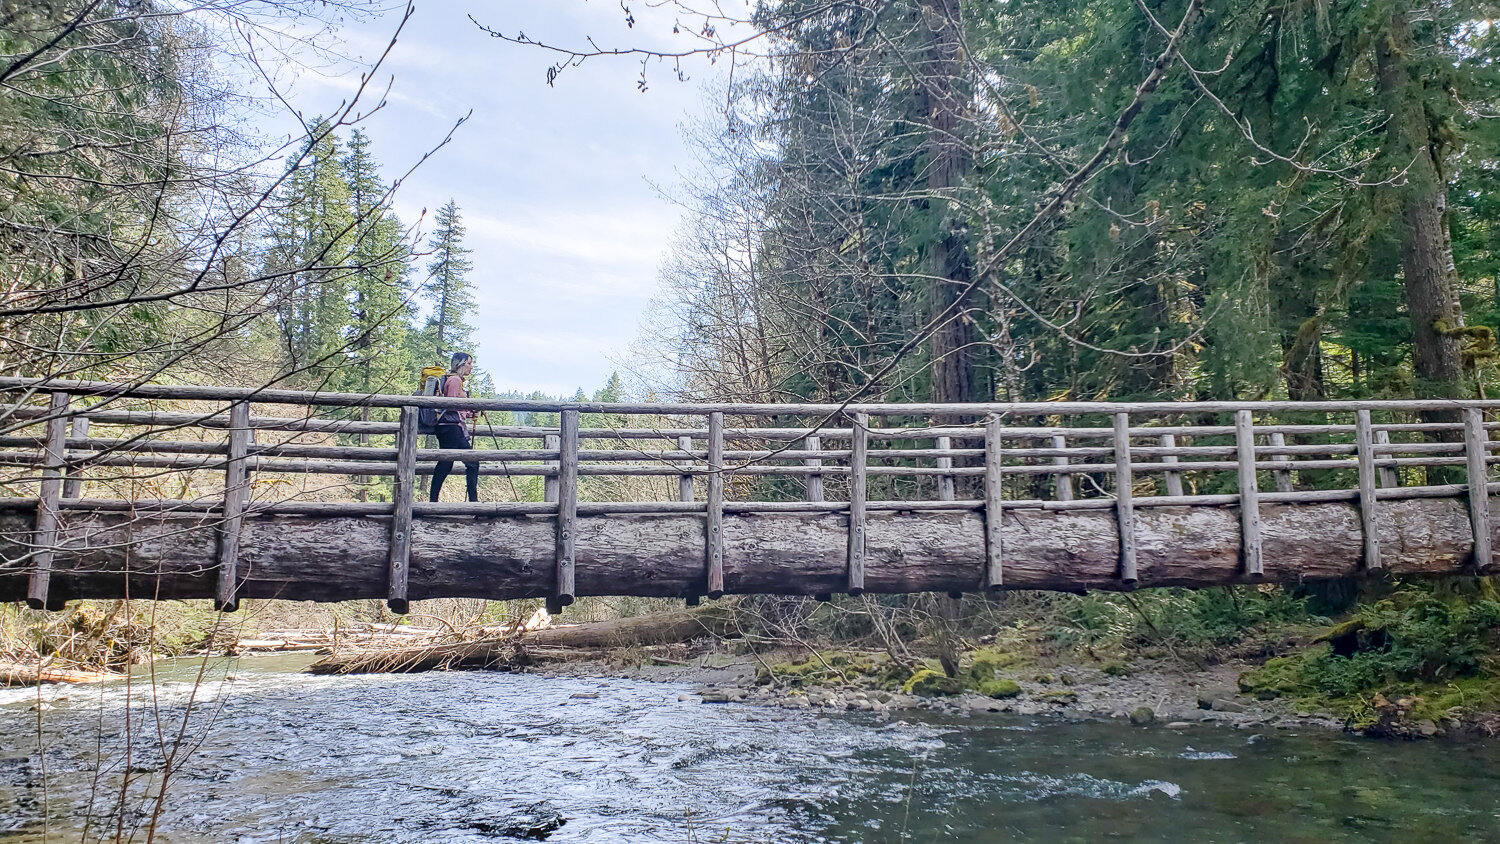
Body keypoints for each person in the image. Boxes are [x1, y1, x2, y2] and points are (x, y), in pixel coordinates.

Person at [430, 351, 479, 502]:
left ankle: (433, 501)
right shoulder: (455, 381)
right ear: (461, 364)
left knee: (446, 463)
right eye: (469, 363)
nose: (471, 367)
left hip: (448, 427)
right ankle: (474, 503)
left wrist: (470, 413)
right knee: (472, 462)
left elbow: (453, 408)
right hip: (451, 428)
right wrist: (469, 410)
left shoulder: (452, 380)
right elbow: (451, 405)